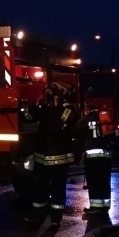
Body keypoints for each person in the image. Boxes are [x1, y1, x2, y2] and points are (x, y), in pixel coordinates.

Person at [23, 83, 78, 228]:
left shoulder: (67, 109)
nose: (47, 95)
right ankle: (36, 214)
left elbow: (54, 126)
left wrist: (54, 106)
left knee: (58, 188)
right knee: (38, 187)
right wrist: (35, 106)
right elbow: (26, 117)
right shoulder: (43, 108)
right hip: (42, 157)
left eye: (50, 93)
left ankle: (55, 218)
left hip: (59, 158)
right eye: (46, 92)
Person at [73, 103, 113, 214]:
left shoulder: (87, 119)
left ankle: (95, 208)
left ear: (87, 110)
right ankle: (105, 206)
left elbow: (75, 130)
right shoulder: (103, 118)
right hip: (106, 156)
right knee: (104, 181)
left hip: (93, 157)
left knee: (94, 181)